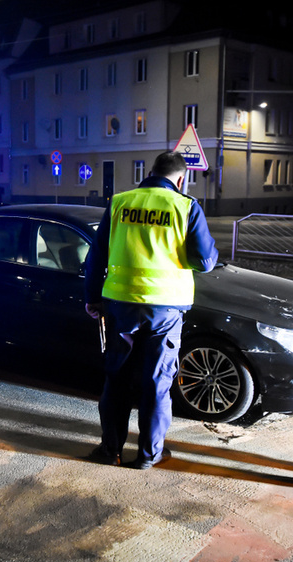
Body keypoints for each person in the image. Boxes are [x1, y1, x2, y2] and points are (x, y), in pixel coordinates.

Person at [84, 151, 219, 469]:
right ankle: (148, 455)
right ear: (182, 179)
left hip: (120, 305)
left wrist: (92, 298)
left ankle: (110, 450)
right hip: (165, 309)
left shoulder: (119, 203)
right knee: (156, 382)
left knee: (117, 379)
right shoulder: (186, 206)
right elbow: (205, 261)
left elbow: (96, 256)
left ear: (150, 172)